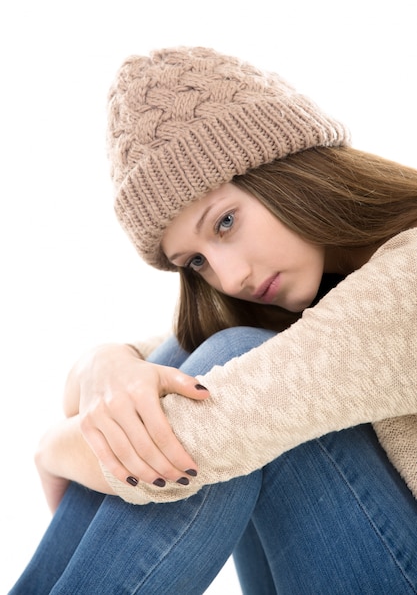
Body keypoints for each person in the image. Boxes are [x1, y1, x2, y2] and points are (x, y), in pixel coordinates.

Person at [10, 46, 417, 594]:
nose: (229, 277)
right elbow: (154, 361)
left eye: (225, 222)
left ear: (289, 169)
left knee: (223, 371)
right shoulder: (313, 298)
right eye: (196, 261)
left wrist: (51, 448)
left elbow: (199, 442)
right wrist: (106, 363)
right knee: (176, 368)